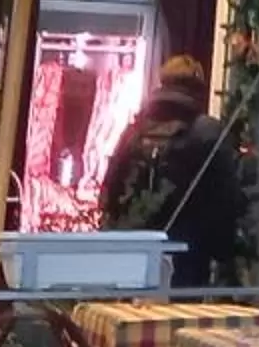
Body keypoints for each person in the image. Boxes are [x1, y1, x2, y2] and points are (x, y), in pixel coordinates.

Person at [103, 55, 244, 288]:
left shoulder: (135, 131)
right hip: (188, 255)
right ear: (198, 86)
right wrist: (224, 254)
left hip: (135, 252)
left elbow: (111, 190)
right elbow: (225, 200)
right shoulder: (207, 131)